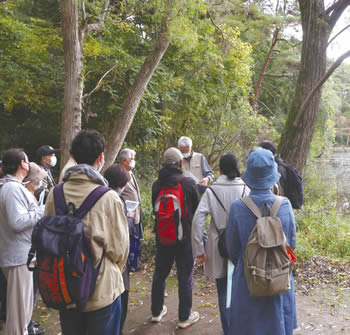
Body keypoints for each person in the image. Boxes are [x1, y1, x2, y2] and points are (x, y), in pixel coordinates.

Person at [44, 130, 129, 335]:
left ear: (73, 156)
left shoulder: (55, 194)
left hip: (65, 288)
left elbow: (47, 238)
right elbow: (120, 250)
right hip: (102, 291)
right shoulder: (109, 197)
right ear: (100, 158)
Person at [225, 147, 297, 335]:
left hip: (248, 277)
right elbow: (291, 245)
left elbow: (232, 249)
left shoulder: (237, 207)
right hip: (279, 277)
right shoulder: (285, 205)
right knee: (278, 325)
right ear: (273, 176)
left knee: (247, 326)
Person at [191, 153, 249, 335]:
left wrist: (199, 249)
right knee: (242, 290)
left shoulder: (211, 190)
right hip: (241, 246)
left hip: (218, 246)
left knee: (224, 292)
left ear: (220, 169)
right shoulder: (245, 189)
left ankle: (229, 331)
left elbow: (197, 220)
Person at [151, 147, 200, 329]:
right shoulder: (187, 183)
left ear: (163, 163)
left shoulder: (157, 185)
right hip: (184, 238)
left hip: (163, 237)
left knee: (160, 274)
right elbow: (196, 209)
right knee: (185, 276)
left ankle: (156, 312)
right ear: (181, 163)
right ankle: (183, 317)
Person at [0, 148, 44, 335]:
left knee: (23, 311)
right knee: (18, 315)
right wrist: (41, 211)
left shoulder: (13, 187)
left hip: (23, 255)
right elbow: (16, 222)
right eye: (26, 160)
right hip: (18, 256)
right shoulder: (11, 188)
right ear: (22, 164)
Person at [104, 164, 141, 335]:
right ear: (119, 184)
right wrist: (131, 219)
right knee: (120, 300)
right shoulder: (115, 200)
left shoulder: (100, 196)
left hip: (105, 262)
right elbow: (123, 231)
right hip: (116, 262)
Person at [259, 140, 304, 209]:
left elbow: (278, 193)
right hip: (285, 207)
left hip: (278, 209)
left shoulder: (276, 170)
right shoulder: (283, 167)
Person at [119, 148, 144, 240]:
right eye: (132, 159)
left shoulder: (130, 173)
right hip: (126, 217)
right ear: (124, 161)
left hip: (135, 216)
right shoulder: (119, 174)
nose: (134, 161)